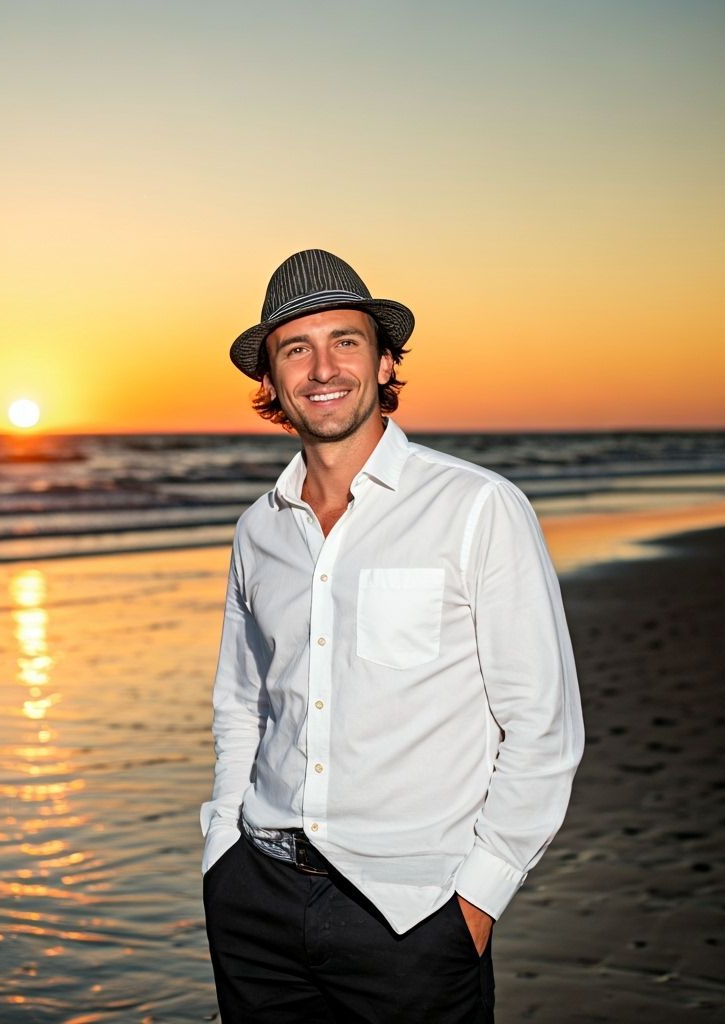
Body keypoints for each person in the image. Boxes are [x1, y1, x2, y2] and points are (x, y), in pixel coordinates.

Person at [200, 249, 584, 1023]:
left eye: (345, 340)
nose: (322, 367)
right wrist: (221, 852)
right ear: (271, 382)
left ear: (382, 363)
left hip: (415, 917)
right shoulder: (258, 530)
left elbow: (542, 728)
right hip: (257, 901)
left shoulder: (478, 507)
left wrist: (477, 900)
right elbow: (244, 705)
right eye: (294, 349)